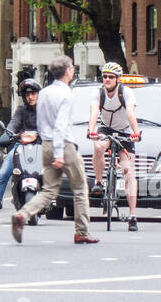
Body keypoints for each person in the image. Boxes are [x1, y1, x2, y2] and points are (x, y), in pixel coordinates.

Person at [10, 55, 96, 244]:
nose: (73, 70)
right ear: (67, 72)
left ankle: (22, 215)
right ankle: (81, 231)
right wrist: (59, 153)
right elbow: (61, 125)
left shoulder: (46, 93)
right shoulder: (67, 94)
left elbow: (41, 122)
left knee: (49, 191)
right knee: (80, 189)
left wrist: (48, 146)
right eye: (72, 68)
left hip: (46, 144)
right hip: (62, 145)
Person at [0, 78, 41, 224]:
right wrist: (8, 134)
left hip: (41, 147)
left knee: (53, 169)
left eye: (33, 93)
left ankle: (51, 200)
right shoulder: (21, 110)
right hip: (21, 147)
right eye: (27, 94)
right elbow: (13, 124)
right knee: (3, 173)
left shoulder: (45, 110)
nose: (30, 97)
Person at [89, 62, 141, 231]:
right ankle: (98, 182)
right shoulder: (99, 93)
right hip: (106, 128)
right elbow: (94, 111)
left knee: (128, 172)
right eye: (105, 76)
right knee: (98, 147)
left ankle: (132, 215)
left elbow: (130, 113)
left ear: (118, 79)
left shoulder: (126, 92)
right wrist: (91, 131)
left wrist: (136, 132)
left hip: (125, 131)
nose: (107, 79)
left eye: (111, 77)